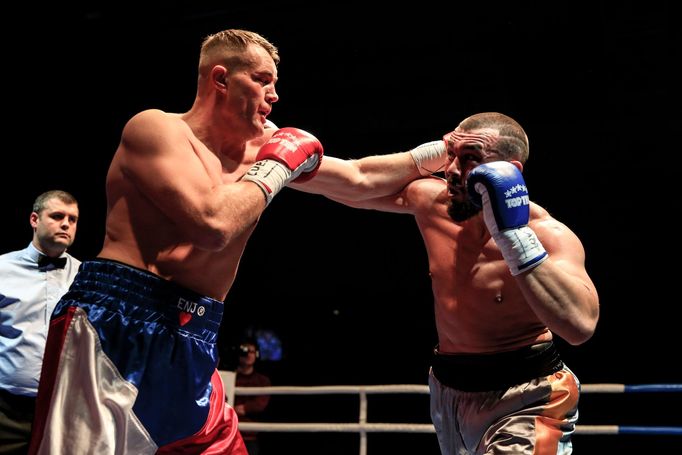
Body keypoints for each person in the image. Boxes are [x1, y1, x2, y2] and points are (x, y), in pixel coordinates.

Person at [25, 29, 330, 455]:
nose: (274, 95)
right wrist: (275, 169)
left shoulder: (260, 149)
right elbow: (213, 225)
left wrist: (438, 152)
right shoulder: (157, 128)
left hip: (195, 333)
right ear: (221, 79)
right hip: (115, 322)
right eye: (263, 79)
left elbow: (362, 179)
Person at [295, 112, 599, 454]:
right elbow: (354, 182)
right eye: (449, 154)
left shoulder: (549, 235)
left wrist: (516, 239)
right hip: (448, 392)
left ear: (508, 172)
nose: (452, 170)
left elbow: (580, 326)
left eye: (470, 159)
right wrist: (270, 157)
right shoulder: (434, 203)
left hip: (528, 395)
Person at [0, 190, 80, 455]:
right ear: (34, 219)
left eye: (73, 219)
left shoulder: (86, 277)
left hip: (65, 409)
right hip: (8, 409)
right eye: (57, 216)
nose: (66, 224)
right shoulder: (2, 269)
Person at [234, 339, 271, 455]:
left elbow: (260, 404)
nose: (249, 355)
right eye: (245, 351)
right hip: (230, 432)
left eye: (252, 352)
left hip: (251, 435)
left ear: (256, 355)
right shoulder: (229, 377)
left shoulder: (262, 380)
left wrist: (244, 408)